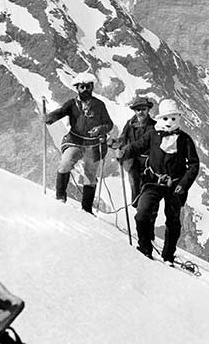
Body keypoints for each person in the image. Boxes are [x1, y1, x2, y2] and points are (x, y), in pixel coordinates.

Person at [117, 98, 199, 264]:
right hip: (152, 181)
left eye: (173, 118)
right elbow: (137, 146)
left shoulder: (185, 140)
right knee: (142, 214)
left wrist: (183, 184)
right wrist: (123, 153)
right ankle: (145, 247)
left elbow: (194, 165)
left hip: (175, 186)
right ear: (161, 118)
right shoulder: (153, 134)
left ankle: (168, 255)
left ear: (178, 119)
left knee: (173, 221)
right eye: (166, 118)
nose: (169, 122)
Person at [45, 72, 114, 214]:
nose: (85, 90)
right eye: (82, 87)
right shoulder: (72, 104)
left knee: (90, 176)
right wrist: (50, 117)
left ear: (92, 87)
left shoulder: (99, 105)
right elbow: (61, 112)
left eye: (88, 86)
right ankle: (60, 197)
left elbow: (109, 124)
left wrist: (101, 128)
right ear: (77, 88)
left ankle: (87, 209)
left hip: (93, 146)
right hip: (74, 142)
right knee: (65, 163)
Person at [115, 96, 156, 204]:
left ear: (148, 110)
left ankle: (142, 210)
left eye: (144, 109)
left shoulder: (154, 126)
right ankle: (136, 206)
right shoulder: (130, 124)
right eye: (138, 110)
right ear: (135, 111)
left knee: (146, 188)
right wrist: (115, 145)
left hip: (148, 163)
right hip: (132, 161)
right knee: (134, 183)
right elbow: (123, 139)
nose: (141, 112)